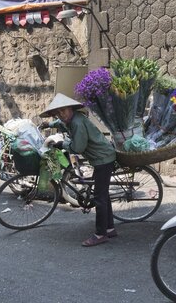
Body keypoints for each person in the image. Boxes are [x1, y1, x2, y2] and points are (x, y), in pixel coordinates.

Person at [40, 93, 117, 247]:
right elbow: (61, 123)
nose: (61, 115)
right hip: (101, 158)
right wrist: (49, 125)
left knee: (99, 198)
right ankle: (109, 228)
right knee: (103, 195)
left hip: (103, 159)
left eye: (63, 111)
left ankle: (100, 234)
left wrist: (62, 144)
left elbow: (78, 147)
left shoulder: (77, 123)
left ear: (70, 109)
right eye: (58, 113)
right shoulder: (70, 120)